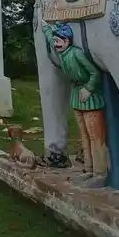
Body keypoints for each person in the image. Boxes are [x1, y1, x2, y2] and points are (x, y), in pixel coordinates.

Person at [42, 21, 109, 182]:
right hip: (77, 97)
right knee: (84, 136)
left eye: (59, 41)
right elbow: (51, 38)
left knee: (95, 137)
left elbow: (94, 73)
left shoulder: (77, 54)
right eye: (56, 41)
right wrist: (46, 28)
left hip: (90, 97)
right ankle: (88, 169)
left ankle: (100, 173)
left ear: (67, 41)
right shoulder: (62, 53)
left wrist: (89, 88)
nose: (56, 44)